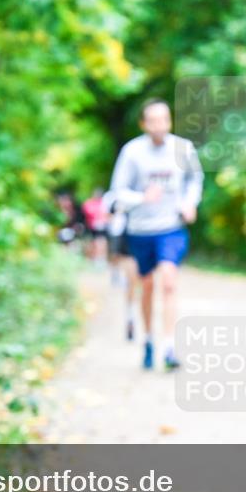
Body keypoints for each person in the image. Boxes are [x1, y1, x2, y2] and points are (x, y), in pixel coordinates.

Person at [109, 98, 203, 370]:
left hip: (171, 228)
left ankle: (170, 346)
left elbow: (194, 179)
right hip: (140, 230)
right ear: (143, 124)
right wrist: (141, 198)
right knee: (147, 286)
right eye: (153, 121)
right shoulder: (132, 152)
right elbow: (118, 193)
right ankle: (150, 339)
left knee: (169, 281)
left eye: (164, 119)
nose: (159, 126)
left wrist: (189, 203)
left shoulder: (182, 148)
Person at [101, 189, 139, 342]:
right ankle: (130, 315)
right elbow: (106, 214)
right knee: (131, 279)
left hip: (141, 235)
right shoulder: (112, 196)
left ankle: (134, 314)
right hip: (121, 235)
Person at [81, 187, 109, 264]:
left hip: (101, 226)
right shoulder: (89, 203)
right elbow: (86, 213)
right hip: (90, 226)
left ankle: (101, 258)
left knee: (101, 241)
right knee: (93, 242)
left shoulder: (103, 203)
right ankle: (94, 258)